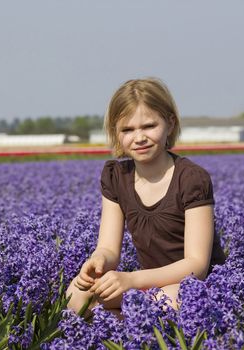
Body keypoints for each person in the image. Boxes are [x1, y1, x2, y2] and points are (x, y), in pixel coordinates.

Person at [66, 78, 226, 316]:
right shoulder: (116, 176)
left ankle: (119, 322)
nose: (139, 137)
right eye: (127, 130)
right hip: (147, 285)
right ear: (115, 133)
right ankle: (129, 322)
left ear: (170, 124)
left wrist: (131, 280)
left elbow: (197, 265)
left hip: (191, 285)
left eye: (149, 126)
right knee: (76, 296)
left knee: (174, 300)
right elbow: (109, 248)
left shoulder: (192, 179)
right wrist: (99, 261)